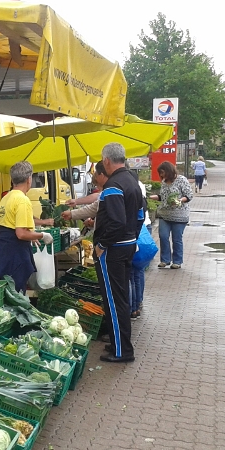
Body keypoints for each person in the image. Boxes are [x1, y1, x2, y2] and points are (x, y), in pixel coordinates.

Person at [93, 143, 143, 363]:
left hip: (113, 250)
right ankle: (118, 343)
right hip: (128, 244)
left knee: (113, 300)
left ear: (106, 161)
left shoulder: (113, 185)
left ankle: (122, 351)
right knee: (121, 298)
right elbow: (141, 214)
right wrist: (133, 235)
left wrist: (102, 244)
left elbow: (116, 221)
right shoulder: (132, 180)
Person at [0, 161, 54, 292]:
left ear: (13, 180)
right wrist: (43, 235)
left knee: (5, 292)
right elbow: (20, 233)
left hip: (2, 251)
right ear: (29, 179)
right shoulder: (22, 200)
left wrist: (32, 235)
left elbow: (9, 224)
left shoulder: (6, 198)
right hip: (15, 254)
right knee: (16, 293)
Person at [149, 161, 193, 269]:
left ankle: (177, 261)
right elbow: (163, 197)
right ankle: (165, 260)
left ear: (168, 170)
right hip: (165, 214)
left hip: (179, 215)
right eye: (160, 173)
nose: (161, 175)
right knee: (163, 236)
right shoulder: (164, 182)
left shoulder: (181, 180)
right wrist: (153, 197)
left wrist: (179, 200)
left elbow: (189, 195)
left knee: (176, 238)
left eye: (162, 172)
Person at [129, 176, 151, 319]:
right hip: (143, 228)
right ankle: (137, 304)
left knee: (131, 273)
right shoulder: (139, 185)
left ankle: (133, 308)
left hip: (136, 232)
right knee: (138, 270)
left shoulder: (128, 188)